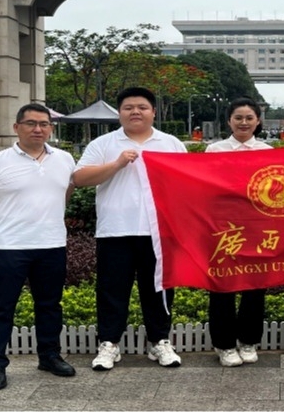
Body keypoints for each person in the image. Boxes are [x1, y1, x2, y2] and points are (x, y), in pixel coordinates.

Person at [74, 87, 186, 370]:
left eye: (142, 107)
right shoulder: (104, 143)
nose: (135, 112)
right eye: (128, 107)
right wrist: (117, 164)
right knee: (112, 290)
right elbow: (80, 178)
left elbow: (187, 183)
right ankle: (109, 344)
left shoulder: (171, 143)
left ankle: (160, 341)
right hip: (115, 230)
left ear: (153, 112)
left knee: (159, 289)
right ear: (119, 113)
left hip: (158, 231)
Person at [0, 103, 77, 390]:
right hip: (10, 247)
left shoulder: (65, 159)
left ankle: (49, 356)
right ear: (16, 128)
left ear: (51, 128)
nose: (38, 129)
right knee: (2, 306)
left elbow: (65, 193)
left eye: (44, 124)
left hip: (52, 244)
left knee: (50, 305)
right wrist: (0, 228)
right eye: (30, 123)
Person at [205, 98, 273, 367]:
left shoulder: (268, 151)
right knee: (222, 284)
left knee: (255, 285)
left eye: (249, 118)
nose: (243, 122)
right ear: (229, 121)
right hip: (223, 226)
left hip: (258, 226)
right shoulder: (214, 150)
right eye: (238, 118)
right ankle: (224, 344)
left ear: (258, 121)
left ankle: (248, 340)